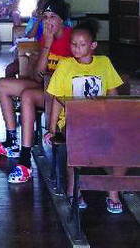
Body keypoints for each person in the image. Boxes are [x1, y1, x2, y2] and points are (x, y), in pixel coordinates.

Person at [0, 0, 73, 184]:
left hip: (61, 96)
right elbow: (38, 76)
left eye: (53, 17)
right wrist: (47, 45)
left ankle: (25, 160)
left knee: (27, 95)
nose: (48, 21)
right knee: (2, 85)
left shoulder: (72, 39)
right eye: (45, 17)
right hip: (45, 86)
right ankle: (11, 142)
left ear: (62, 20)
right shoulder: (45, 38)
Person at [45, 19, 124, 213]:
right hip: (73, 121)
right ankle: (74, 189)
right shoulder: (65, 65)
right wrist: (52, 129)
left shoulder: (104, 63)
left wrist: (116, 119)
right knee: (77, 142)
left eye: (82, 45)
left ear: (93, 45)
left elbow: (113, 93)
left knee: (125, 142)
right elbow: (57, 100)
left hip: (101, 120)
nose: (76, 48)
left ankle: (113, 191)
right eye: (73, 44)